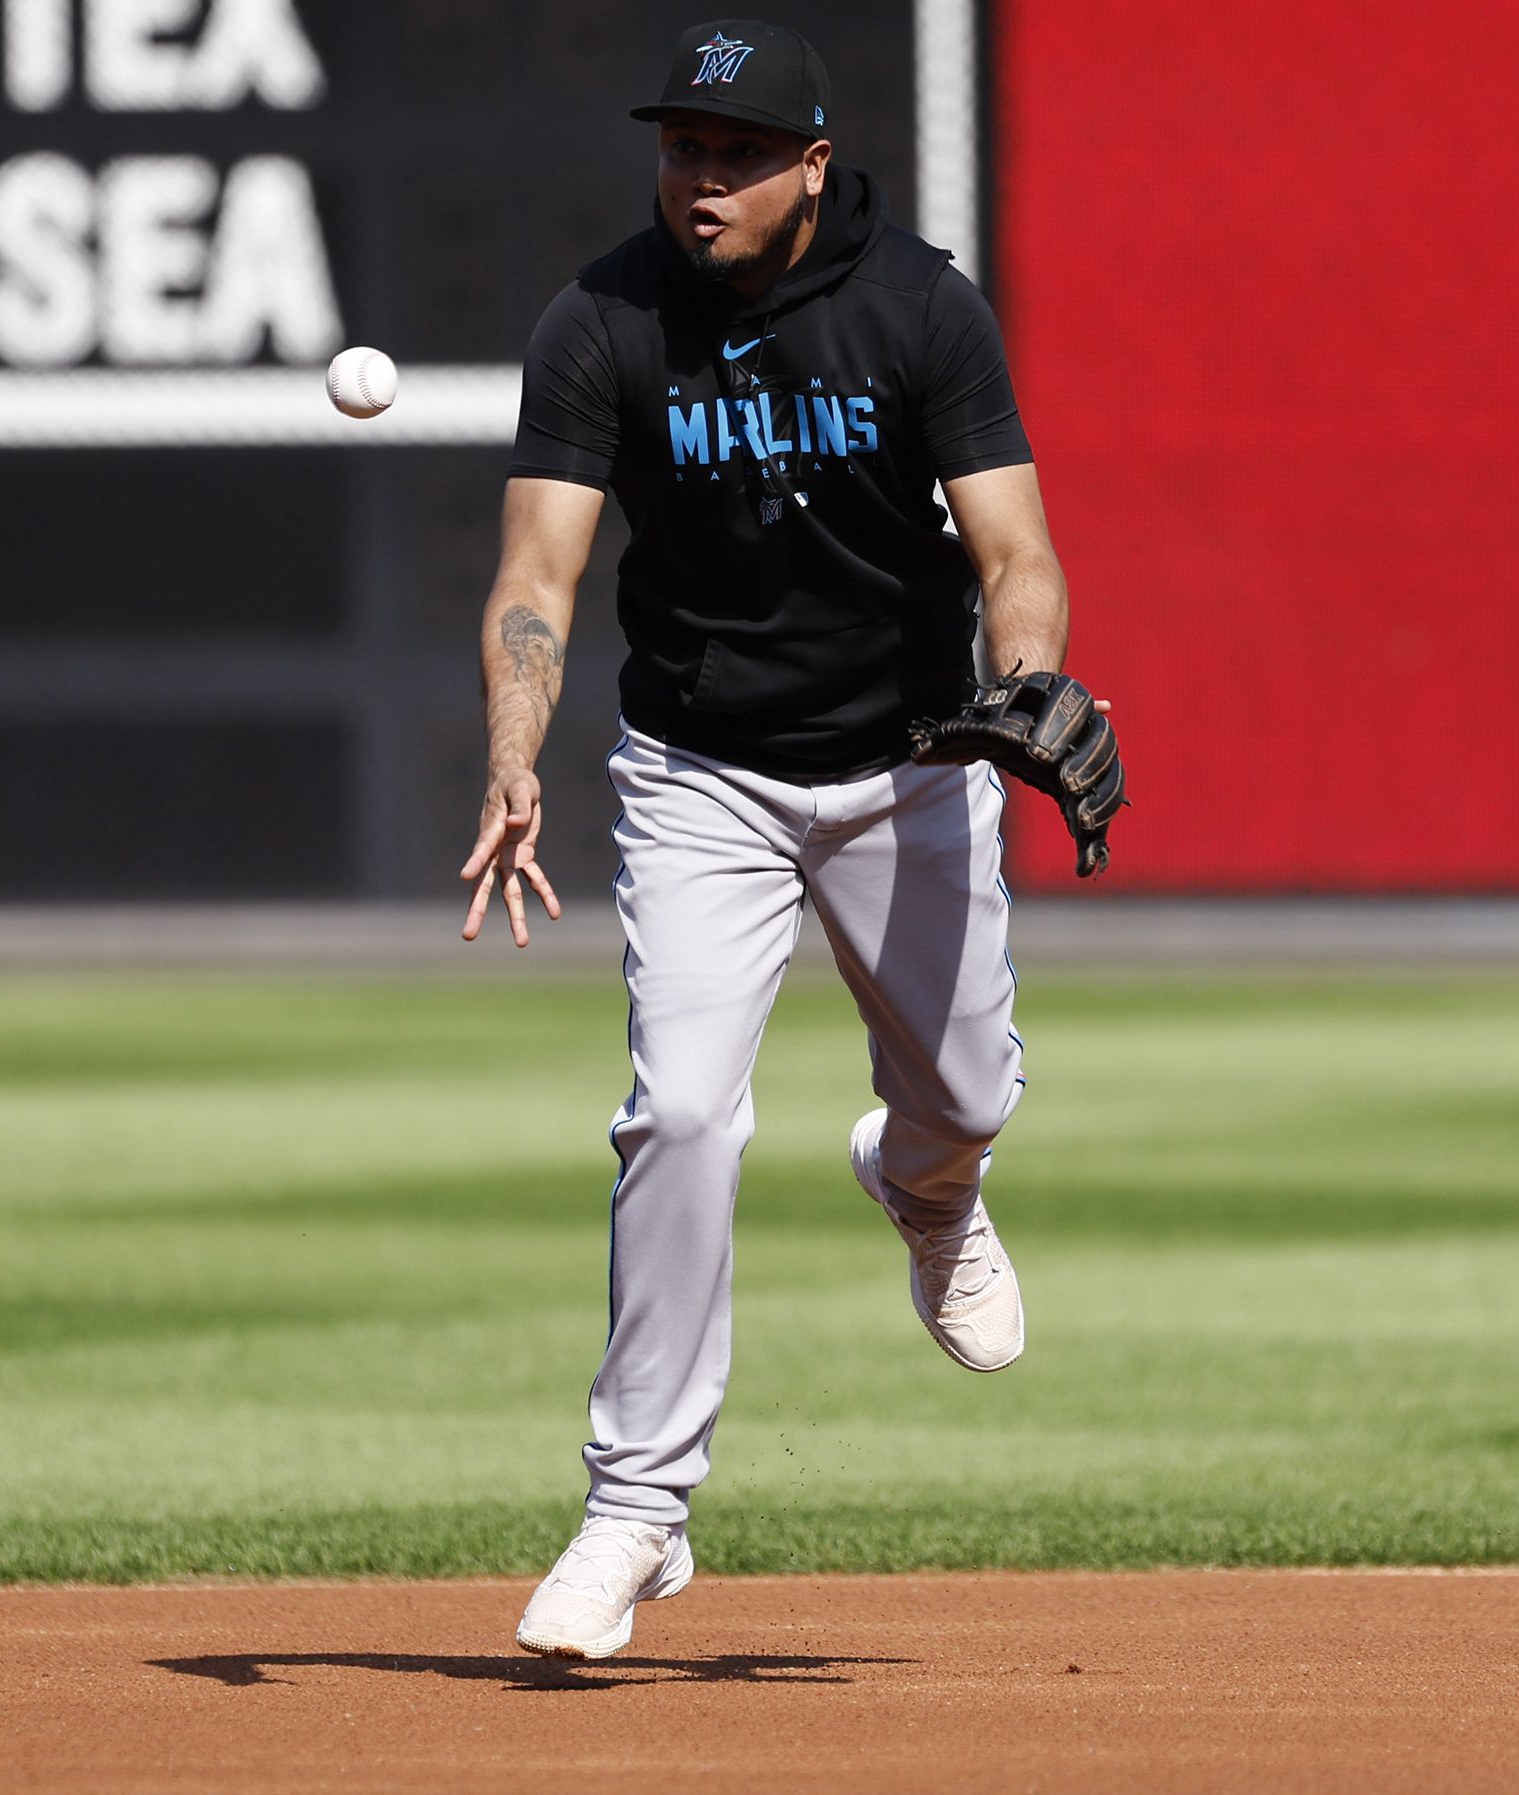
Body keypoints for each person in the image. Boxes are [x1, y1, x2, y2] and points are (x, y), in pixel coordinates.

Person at [458, 19, 1104, 1660]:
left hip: (910, 762)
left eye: (736, 154)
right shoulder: (601, 320)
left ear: (813, 163)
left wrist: (1029, 684)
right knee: (677, 1113)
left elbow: (1015, 547)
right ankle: (636, 1509)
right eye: (682, 147)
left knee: (960, 1095)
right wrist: (516, 758)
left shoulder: (923, 310)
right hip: (701, 776)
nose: (700, 180)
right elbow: (538, 579)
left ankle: (927, 1187)